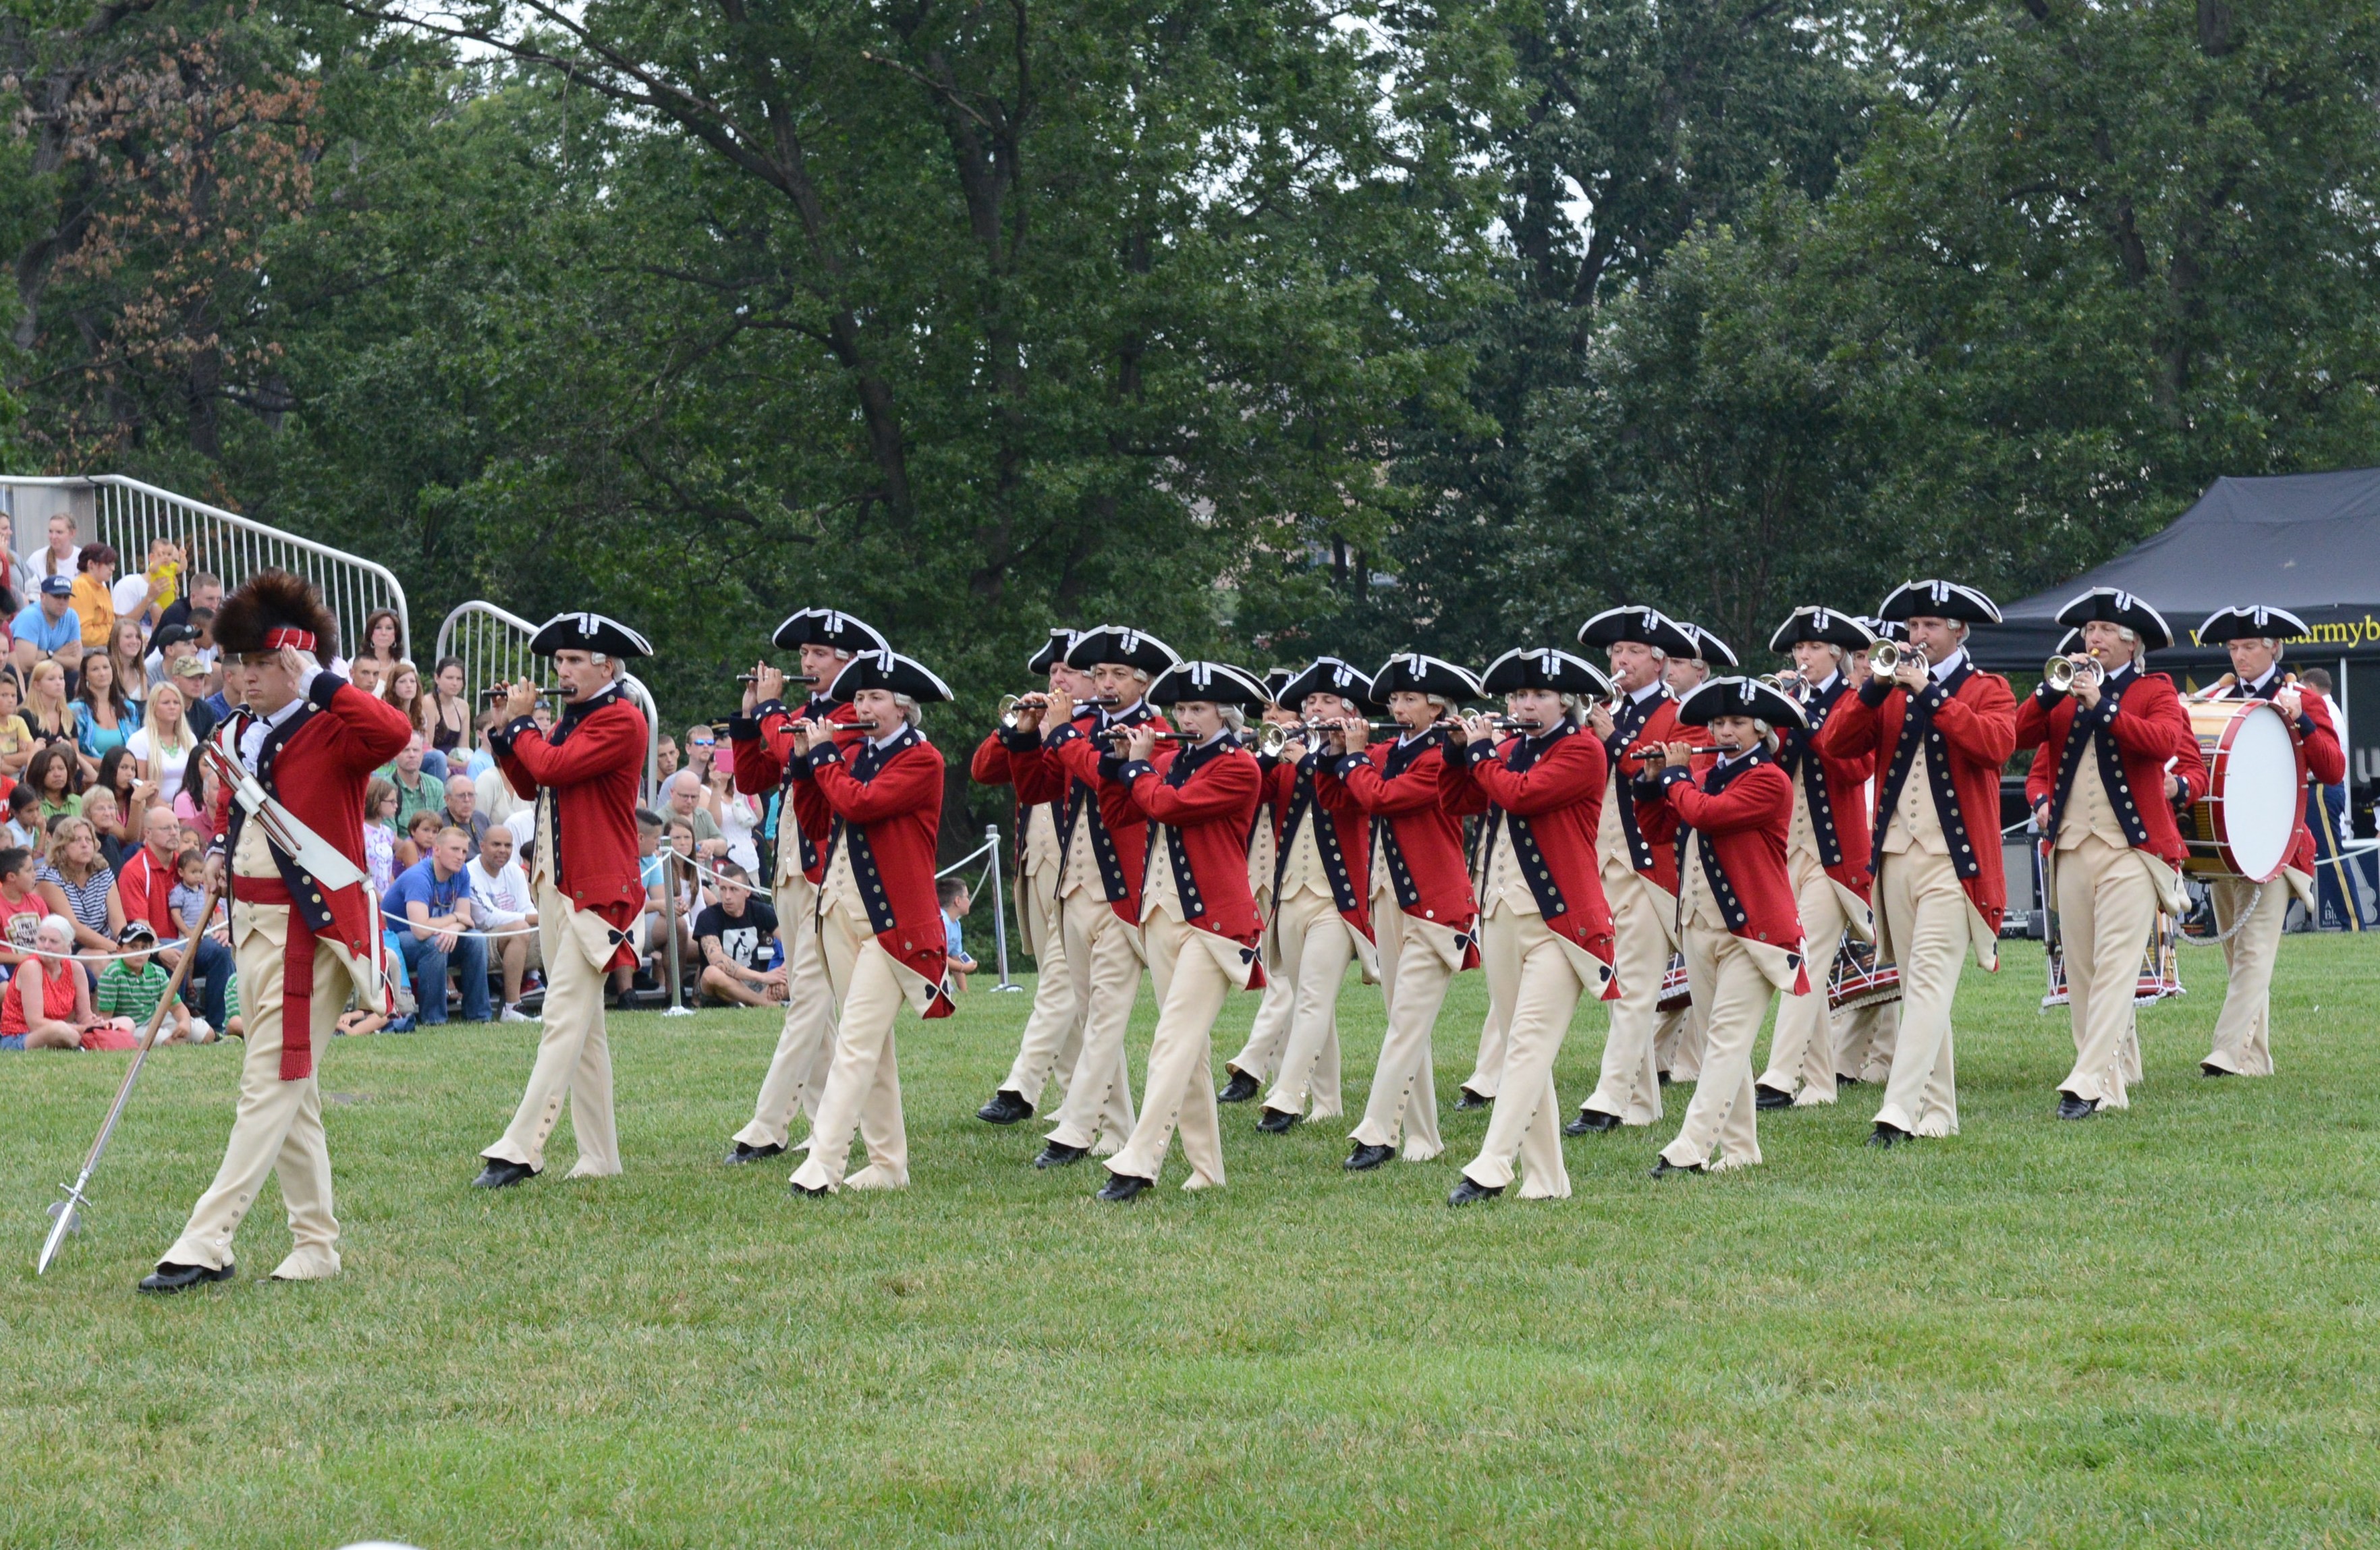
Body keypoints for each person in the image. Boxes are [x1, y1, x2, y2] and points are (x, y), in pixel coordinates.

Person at [141, 568, 413, 1292]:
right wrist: (226, 853)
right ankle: (316, 1242)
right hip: (252, 922)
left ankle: (205, 1239)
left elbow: (395, 730)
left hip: (311, 930)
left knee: (270, 1082)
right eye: (242, 662)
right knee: (294, 1092)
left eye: (264, 662)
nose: (247, 676)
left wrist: (321, 679)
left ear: (293, 660)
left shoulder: (333, 724)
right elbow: (241, 810)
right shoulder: (233, 732)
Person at [1816, 580, 2017, 1147]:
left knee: (1928, 983)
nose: (1917, 636)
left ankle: (1897, 1110)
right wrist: (1873, 690)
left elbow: (1995, 745)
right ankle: (1939, 1110)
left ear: (1959, 631)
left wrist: (1930, 691)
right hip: (1896, 858)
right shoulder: (1888, 690)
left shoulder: (1986, 688)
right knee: (1917, 986)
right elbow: (1835, 744)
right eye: (1911, 628)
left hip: (1958, 864)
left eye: (1929, 626)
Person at [474, 611, 653, 1190]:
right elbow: (531, 783)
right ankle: (600, 1155)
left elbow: (550, 764)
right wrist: (506, 730)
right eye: (558, 662)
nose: (563, 671)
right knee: (585, 1028)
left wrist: (525, 726)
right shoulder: (575, 720)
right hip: (556, 884)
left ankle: (520, 1148)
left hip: (596, 891)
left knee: (561, 1016)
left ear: (606, 666)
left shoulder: (621, 719)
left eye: (574, 661)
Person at [1443, 647, 1621, 1205]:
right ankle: (1547, 1181)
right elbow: (1457, 800)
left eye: (1538, 695)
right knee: (1529, 1051)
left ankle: (1492, 1164)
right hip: (1499, 912)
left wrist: (1479, 752)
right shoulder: (1509, 749)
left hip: (1559, 923)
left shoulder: (1583, 749)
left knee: (1525, 1044)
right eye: (1518, 695)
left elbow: (1522, 795)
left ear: (1564, 702)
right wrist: (1455, 755)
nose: (1524, 703)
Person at [2019, 590, 2205, 1118]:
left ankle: (2083, 1081)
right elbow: (2012, 735)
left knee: (2116, 966)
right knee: (2080, 970)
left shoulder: (2153, 690)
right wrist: (2051, 688)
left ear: (2131, 641)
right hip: (2072, 844)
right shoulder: (2062, 692)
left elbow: (2162, 738)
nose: (2091, 639)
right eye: (2087, 631)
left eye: (2102, 630)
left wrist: (2102, 706)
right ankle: (2107, 1084)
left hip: (2132, 849)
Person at [1091, 662, 1270, 1200]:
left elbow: (1170, 807)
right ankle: (1206, 1168)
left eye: (1197, 709)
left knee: (1170, 1042)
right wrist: (1116, 763)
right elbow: (1119, 815)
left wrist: (1139, 769)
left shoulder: (1239, 767)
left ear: (1224, 714)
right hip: (1162, 915)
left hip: (1214, 925)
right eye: (1182, 709)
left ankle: (1138, 1161)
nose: (1185, 717)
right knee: (1186, 1049)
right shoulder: (1168, 761)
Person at [1005, 625, 1182, 1169]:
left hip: (1127, 891)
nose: (1106, 684)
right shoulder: (1076, 725)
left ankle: (1076, 1129)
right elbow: (1033, 787)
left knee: (1107, 1013)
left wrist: (1060, 737)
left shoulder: (1158, 733)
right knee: (1086, 1011)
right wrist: (1025, 735)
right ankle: (1117, 1126)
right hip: (1073, 888)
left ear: (1143, 682)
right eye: (1100, 674)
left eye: (1119, 676)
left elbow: (1116, 781)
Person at [720, 607, 891, 1164]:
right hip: (791, 872)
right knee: (814, 1009)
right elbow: (753, 777)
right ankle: (827, 1123)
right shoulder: (802, 713)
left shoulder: (848, 716)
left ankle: (767, 1126)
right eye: (803, 655)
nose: (806, 663)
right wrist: (750, 718)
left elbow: (796, 754)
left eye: (818, 655)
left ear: (847, 663)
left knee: (808, 999)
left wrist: (768, 709)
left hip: (829, 875)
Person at [786, 650, 954, 1196]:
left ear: (903, 709)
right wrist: (802, 760)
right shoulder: (850, 753)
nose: (862, 706)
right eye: (858, 697)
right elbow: (815, 821)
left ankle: (823, 1163)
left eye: (875, 698)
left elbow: (860, 804)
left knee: (855, 1039)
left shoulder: (921, 759)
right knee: (872, 1045)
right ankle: (887, 1163)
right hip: (840, 910)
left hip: (892, 923)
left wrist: (827, 756)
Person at [1644, 679, 1812, 1176]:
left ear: (1760, 730)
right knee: (1725, 1041)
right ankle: (1741, 1149)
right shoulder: (1698, 773)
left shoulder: (1768, 779)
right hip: (1698, 924)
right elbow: (1658, 829)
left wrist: (1674, 778)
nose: (1724, 731)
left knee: (1725, 1039)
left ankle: (1689, 1147)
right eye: (1718, 723)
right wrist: (1652, 780)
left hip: (1753, 932)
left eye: (1736, 722)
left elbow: (1706, 814)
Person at [1328, 653, 1482, 1169]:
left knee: (1405, 1023)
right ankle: (1423, 1135)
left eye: (1409, 698)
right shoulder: (1389, 748)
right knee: (1404, 1021)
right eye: (1393, 699)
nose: (1397, 706)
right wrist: (1331, 754)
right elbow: (1338, 799)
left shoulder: (1441, 754)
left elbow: (1384, 798)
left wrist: (1351, 758)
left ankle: (1378, 1133)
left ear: (1438, 708)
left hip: (1434, 907)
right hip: (1388, 899)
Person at [2189, 606, 2348, 1077]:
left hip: (2278, 843)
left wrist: (2301, 722)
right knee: (2237, 954)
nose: (2239, 656)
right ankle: (2253, 1057)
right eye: (2234, 648)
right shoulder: (2217, 696)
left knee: (2255, 951)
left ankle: (2223, 1053)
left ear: (2274, 648)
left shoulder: (2300, 697)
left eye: (2249, 647)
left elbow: (2333, 769)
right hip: (2221, 843)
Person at [1567, 605, 1703, 1135]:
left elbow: (1662, 772)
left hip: (1652, 868)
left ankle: (1606, 1100)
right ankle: (1641, 1101)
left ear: (1659, 660)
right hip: (1599, 865)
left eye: (1632, 653)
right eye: (1615, 653)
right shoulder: (1600, 709)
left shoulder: (1680, 713)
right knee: (1622, 986)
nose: (1620, 661)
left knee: (1635, 988)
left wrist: (1614, 739)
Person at [1752, 608, 1879, 1109]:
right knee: (1809, 962)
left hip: (1834, 856)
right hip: (1787, 849)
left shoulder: (1854, 701)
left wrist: (1809, 723)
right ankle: (1821, 1083)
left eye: (1813, 647)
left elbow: (1857, 768)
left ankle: (1779, 1076)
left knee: (1803, 958)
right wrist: (1777, 713)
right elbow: (1770, 766)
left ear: (1835, 653)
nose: (1802, 656)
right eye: (1798, 648)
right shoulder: (1786, 699)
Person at [970, 628, 1092, 1128]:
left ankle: (1021, 1085)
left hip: (1080, 866)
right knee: (1059, 985)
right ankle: (1078, 1096)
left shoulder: (1098, 727)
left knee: (1062, 981)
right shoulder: (1036, 723)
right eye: (1052, 672)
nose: (1055, 679)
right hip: (1036, 863)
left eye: (1066, 671)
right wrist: (1017, 728)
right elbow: (981, 770)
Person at [1252, 657, 1377, 1134]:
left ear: (1348, 710)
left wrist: (1313, 757)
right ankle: (1327, 1101)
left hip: (1336, 896)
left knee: (1313, 997)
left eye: (1325, 701)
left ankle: (1285, 1096)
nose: (1314, 709)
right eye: (1308, 702)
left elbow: (1350, 797)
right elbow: (1254, 792)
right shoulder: (1288, 752)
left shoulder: (1357, 755)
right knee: (1310, 999)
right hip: (1290, 889)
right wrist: (1268, 752)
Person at [1218, 675, 1302, 1105]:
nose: (1270, 718)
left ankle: (1251, 1066)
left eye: (1279, 712)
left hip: (1293, 878)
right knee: (1294, 984)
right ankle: (1312, 1087)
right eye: (1266, 711)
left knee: (1286, 980)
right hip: (1255, 873)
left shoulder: (1307, 759)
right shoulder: (1263, 755)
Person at [119, 800, 236, 1034]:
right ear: (148, 833)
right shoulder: (134, 870)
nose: (174, 832)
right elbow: (139, 923)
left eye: (176, 827)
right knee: (177, 951)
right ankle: (178, 1026)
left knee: (221, 951)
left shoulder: (188, 864)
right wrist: (158, 948)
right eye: (167, 828)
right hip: (155, 944)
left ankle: (219, 1027)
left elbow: (211, 902)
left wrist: (221, 928)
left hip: (192, 940)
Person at [384, 827, 488, 1026]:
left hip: (437, 933)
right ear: (437, 850)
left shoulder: (462, 873)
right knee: (434, 943)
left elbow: (466, 920)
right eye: (455, 850)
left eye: (464, 852)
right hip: (395, 940)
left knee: (475, 939)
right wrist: (455, 919)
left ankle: (478, 1015)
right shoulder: (419, 877)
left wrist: (453, 928)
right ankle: (434, 1018)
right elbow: (420, 930)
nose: (460, 857)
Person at [467, 821, 541, 1022]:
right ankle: (512, 1007)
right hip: (483, 938)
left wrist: (543, 921)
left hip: (517, 932)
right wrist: (535, 919)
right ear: (482, 847)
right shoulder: (470, 872)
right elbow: (486, 917)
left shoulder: (514, 871)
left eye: (508, 846)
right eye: (496, 845)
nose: (503, 850)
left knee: (559, 928)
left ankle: (562, 1003)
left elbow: (527, 908)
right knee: (520, 928)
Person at [697, 862, 786, 1007]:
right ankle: (764, 1004)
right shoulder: (708, 916)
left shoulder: (760, 911)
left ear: (747, 892)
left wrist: (780, 974)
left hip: (754, 985)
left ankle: (751, 1003)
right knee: (711, 973)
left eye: (734, 890)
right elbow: (716, 960)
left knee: (797, 969)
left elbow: (792, 944)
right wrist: (764, 977)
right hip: (722, 986)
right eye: (723, 889)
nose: (727, 896)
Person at [1, 915, 92, 1049]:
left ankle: (82, 1041)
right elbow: (35, 1024)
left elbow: (86, 1016)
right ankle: (82, 1042)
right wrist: (81, 1029)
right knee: (59, 1030)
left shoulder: (76, 968)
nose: (46, 946)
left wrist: (93, 1026)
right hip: (19, 1037)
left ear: (68, 946)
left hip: (65, 1029)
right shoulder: (31, 967)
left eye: (53, 942)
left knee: (127, 1022)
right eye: (42, 940)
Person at [97, 920, 195, 1043]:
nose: (139, 952)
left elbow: (177, 1006)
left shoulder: (157, 972)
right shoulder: (112, 974)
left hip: (154, 1019)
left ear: (150, 951)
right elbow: (106, 1018)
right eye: (133, 947)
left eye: (144, 947)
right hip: (132, 1027)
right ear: (119, 950)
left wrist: (184, 1023)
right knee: (170, 1041)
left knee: (205, 1034)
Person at [36, 816, 121, 951]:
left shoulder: (102, 870)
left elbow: (118, 922)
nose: (84, 845)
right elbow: (74, 928)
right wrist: (118, 949)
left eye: (88, 839)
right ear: (62, 846)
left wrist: (129, 945)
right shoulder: (48, 875)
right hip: (68, 946)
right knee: (101, 960)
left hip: (106, 944)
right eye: (76, 840)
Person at [126, 680, 196, 804]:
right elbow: (139, 784)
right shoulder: (139, 740)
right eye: (166, 703)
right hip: (153, 809)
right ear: (153, 707)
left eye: (176, 702)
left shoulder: (190, 739)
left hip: (188, 807)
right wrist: (170, 810)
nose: (172, 707)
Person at [13, 576, 82, 668]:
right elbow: (26, 665)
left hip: (48, 671)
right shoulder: (30, 616)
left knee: (74, 675)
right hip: (18, 674)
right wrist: (57, 654)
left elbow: (76, 662)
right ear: (43, 597)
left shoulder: (71, 616)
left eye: (66, 598)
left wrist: (49, 655)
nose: (62, 602)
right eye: (57, 596)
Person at [0, 845, 45, 977]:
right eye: (29, 870)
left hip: (40, 961)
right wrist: (26, 959)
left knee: (82, 973)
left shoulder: (37, 902)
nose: (34, 874)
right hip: (11, 964)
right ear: (11, 877)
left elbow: (51, 932)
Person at [387, 732, 445, 830]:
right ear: (395, 755)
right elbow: (391, 837)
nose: (412, 755)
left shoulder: (437, 786)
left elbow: (443, 830)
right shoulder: (385, 789)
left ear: (423, 754)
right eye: (406, 750)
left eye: (416, 750)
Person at [427, 656, 471, 762]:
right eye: (450, 678)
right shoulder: (429, 703)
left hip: (457, 764)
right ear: (437, 678)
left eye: (459, 679)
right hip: (434, 762)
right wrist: (460, 765)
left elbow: (464, 748)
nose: (455, 683)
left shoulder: (464, 707)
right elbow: (427, 748)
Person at [155, 570, 222, 637]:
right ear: (193, 596)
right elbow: (184, 645)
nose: (215, 605)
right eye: (210, 599)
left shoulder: (218, 612)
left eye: (218, 599)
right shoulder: (177, 613)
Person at [362, 777, 401, 894]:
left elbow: (389, 871)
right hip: (368, 896)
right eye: (392, 802)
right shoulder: (361, 830)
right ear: (376, 800)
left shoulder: (388, 832)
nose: (396, 806)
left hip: (385, 897)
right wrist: (380, 901)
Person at [20, 513, 80, 586]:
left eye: (59, 532)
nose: (53, 537)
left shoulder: (82, 558)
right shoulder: (36, 560)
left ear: (72, 533)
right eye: (51, 531)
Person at [939, 877, 976, 991]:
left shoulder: (956, 924)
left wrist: (965, 992)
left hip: (938, 971)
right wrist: (963, 968)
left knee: (949, 989)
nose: (969, 901)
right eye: (967, 897)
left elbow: (955, 958)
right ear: (958, 901)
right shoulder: (941, 921)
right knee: (945, 990)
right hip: (924, 972)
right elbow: (938, 956)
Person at [0, 671, 34, 781]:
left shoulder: (18, 722)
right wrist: (20, 762)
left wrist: (3, 759)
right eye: (4, 695)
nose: (11, 700)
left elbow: (31, 754)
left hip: (17, 785)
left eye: (13, 696)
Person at [442, 778, 489, 857]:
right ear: (447, 799)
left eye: (471, 795)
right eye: (461, 796)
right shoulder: (439, 823)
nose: (467, 800)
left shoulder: (481, 819)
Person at [109, 616, 148, 709]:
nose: (135, 641)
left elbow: (144, 710)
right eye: (128, 637)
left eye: (138, 637)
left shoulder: (141, 673)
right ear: (116, 640)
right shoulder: (106, 670)